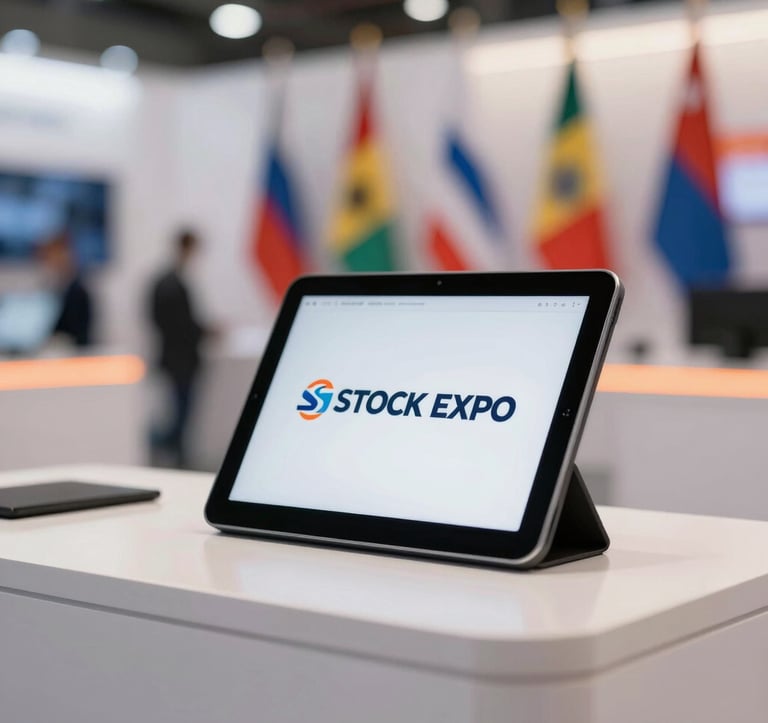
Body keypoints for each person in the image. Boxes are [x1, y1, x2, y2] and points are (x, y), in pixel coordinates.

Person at [147, 230, 213, 468]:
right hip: (181, 360)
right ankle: (171, 453)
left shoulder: (165, 281)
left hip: (176, 358)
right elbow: (180, 324)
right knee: (180, 415)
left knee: (181, 414)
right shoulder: (172, 284)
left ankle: (177, 455)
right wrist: (204, 331)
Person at [37, 232, 93, 347]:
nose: (50, 262)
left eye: (53, 255)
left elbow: (81, 335)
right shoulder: (54, 290)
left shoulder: (78, 292)